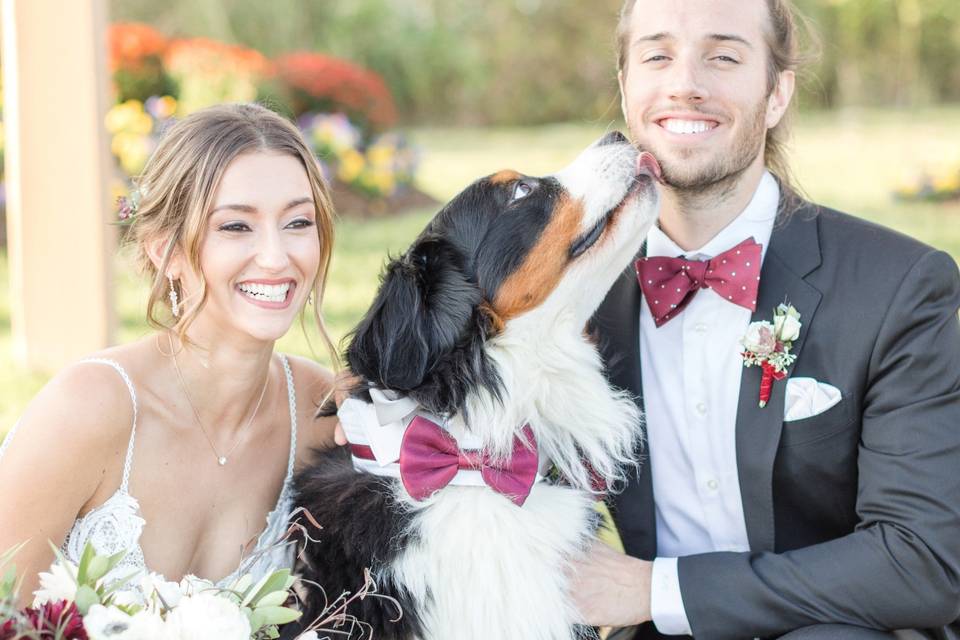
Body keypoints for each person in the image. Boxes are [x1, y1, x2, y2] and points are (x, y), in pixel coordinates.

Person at [572, 0, 960, 638]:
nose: (685, 83)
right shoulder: (573, 293)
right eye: (657, 55)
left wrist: (654, 590)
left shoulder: (897, 287)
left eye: (723, 56)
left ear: (777, 94)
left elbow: (918, 563)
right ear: (625, 86)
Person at [0, 103, 340, 604]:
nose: (276, 256)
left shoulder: (320, 411)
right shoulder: (89, 407)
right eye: (236, 226)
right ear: (166, 249)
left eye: (297, 222)